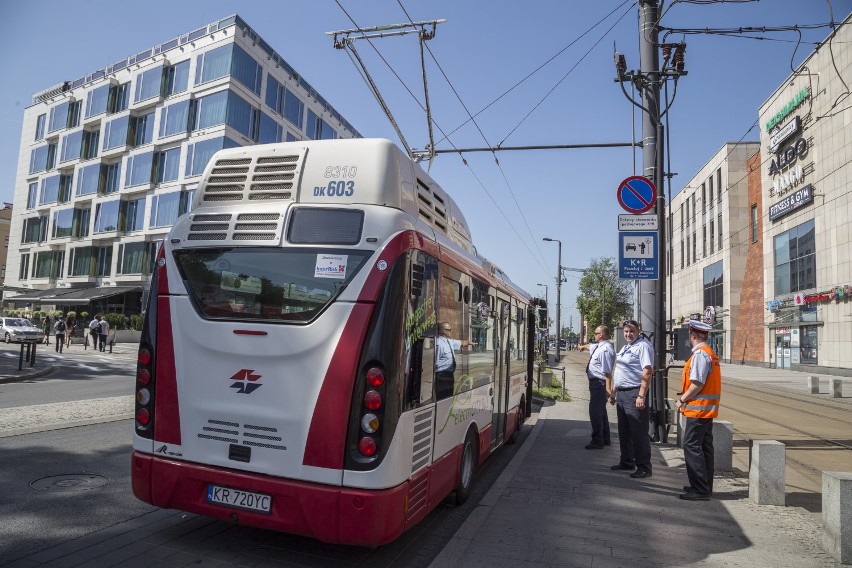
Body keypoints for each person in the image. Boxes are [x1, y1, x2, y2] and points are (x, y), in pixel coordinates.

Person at [676, 320, 722, 501]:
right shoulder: (710, 353)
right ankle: (703, 485)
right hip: (706, 410)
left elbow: (697, 383)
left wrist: (681, 399)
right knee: (704, 447)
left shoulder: (700, 355)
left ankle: (700, 490)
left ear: (693, 336)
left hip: (698, 410)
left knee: (691, 445)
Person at [610, 319, 655, 478]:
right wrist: (614, 391)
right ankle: (627, 461)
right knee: (624, 431)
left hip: (634, 393)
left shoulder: (643, 346)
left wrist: (641, 395)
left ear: (639, 331)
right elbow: (620, 370)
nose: (628, 334)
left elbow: (648, 371)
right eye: (626, 331)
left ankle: (644, 467)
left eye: (632, 331)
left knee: (638, 432)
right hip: (622, 394)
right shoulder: (626, 347)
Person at [579, 326, 615, 449]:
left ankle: (597, 440)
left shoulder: (605, 350)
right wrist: (582, 347)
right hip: (596, 383)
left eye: (595, 333)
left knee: (595, 412)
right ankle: (605, 438)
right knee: (601, 412)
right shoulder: (599, 346)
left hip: (600, 384)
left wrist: (608, 390)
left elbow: (608, 372)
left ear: (601, 335)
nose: (594, 335)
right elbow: (591, 346)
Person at [435, 322, 461, 399]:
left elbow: (460, 343)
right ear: (444, 331)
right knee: (442, 398)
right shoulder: (438, 343)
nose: (451, 331)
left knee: (449, 397)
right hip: (441, 376)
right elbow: (435, 362)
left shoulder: (448, 341)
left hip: (449, 375)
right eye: (449, 330)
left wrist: (469, 342)